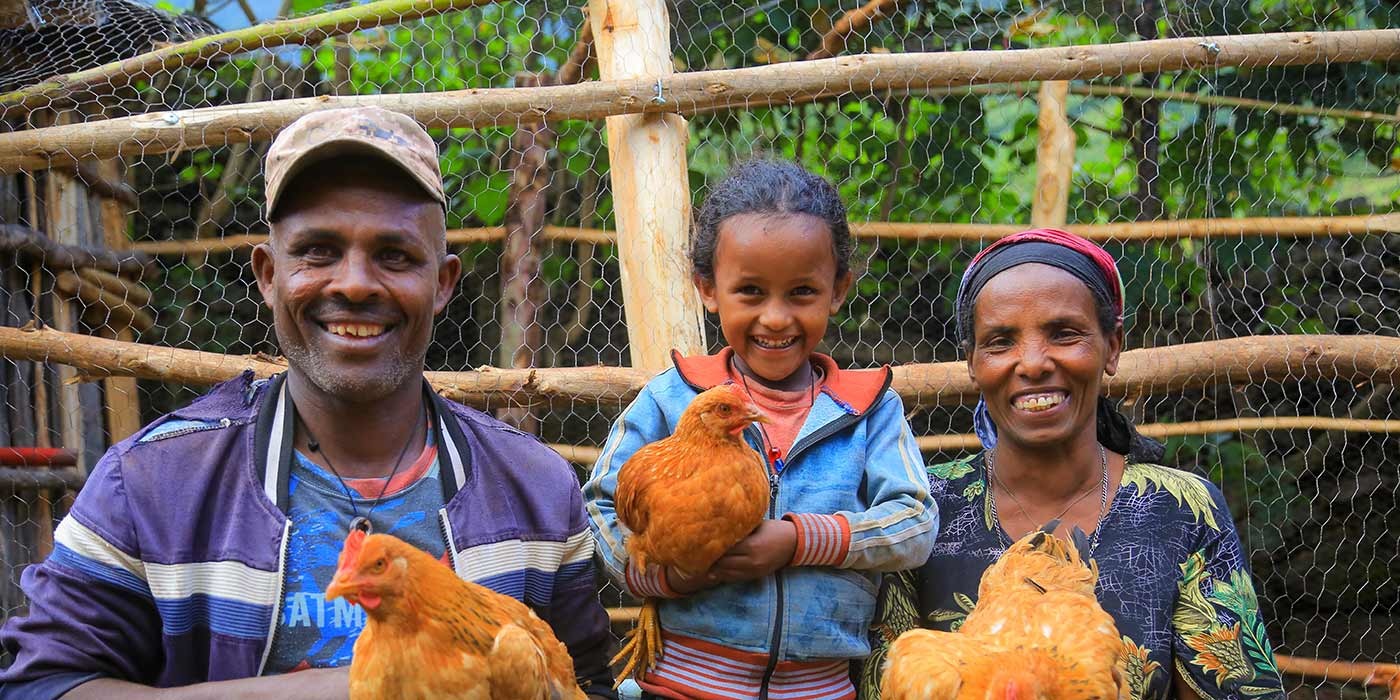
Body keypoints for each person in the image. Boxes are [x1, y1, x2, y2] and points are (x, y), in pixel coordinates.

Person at [0, 107, 616, 699]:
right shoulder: (152, 486)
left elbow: (585, 685)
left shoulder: (536, 492)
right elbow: (41, 684)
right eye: (318, 251)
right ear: (268, 275)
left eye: (395, 255)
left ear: (443, 283)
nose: (353, 283)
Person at [857, 229, 1283, 700]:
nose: (1034, 363)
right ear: (973, 363)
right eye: (1001, 341)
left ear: (1113, 346)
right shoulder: (919, 508)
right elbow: (886, 681)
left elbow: (1237, 688)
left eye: (1064, 334)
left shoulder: (1181, 509)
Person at [585, 159, 938, 700]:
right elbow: (599, 511)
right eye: (750, 291)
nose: (775, 318)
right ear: (707, 289)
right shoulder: (669, 397)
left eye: (801, 292)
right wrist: (662, 580)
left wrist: (799, 541)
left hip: (817, 689)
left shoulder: (870, 410)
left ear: (838, 289)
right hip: (679, 684)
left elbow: (915, 524)